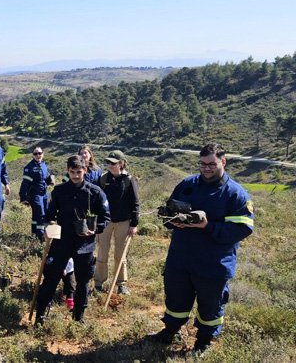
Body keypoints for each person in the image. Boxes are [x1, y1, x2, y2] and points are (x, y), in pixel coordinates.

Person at [148, 143, 254, 354]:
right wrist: (172, 221)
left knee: (210, 305)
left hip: (213, 262)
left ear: (223, 162)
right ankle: (170, 331)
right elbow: (170, 211)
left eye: (211, 164)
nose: (206, 168)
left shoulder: (235, 194)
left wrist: (208, 226)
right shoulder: (187, 184)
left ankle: (203, 341)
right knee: (176, 297)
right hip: (181, 257)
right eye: (202, 164)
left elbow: (242, 228)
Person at [33, 155, 110, 324]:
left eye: (79, 172)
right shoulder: (59, 191)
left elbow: (105, 217)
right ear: (67, 171)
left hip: (85, 244)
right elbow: (50, 215)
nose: (76, 175)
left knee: (82, 281)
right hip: (62, 242)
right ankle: (40, 314)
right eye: (72, 172)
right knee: (51, 277)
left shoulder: (96, 193)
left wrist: (94, 229)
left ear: (85, 171)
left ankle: (78, 317)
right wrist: (48, 227)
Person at [94, 150, 140, 295]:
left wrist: (134, 224)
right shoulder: (103, 179)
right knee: (102, 252)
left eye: (113, 163)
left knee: (120, 254)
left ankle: (121, 284)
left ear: (121, 163)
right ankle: (98, 283)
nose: (110, 165)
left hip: (123, 222)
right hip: (106, 222)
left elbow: (135, 203)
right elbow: (97, 200)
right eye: (108, 163)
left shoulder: (129, 179)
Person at [19, 146, 54, 241]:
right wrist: (23, 197)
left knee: (42, 214)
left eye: (39, 153)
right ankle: (41, 237)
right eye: (35, 153)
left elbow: (46, 178)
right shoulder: (29, 167)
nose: (38, 155)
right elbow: (25, 183)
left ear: (43, 154)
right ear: (33, 155)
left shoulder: (43, 164)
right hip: (35, 194)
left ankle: (34, 234)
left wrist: (50, 180)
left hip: (44, 193)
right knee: (40, 214)